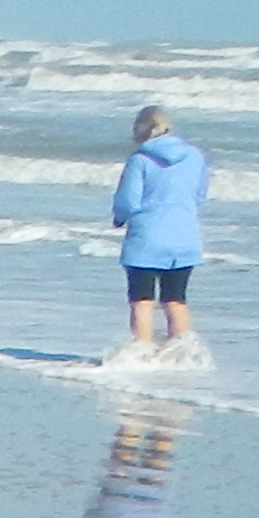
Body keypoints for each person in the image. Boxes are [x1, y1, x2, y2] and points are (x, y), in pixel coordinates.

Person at [110, 103, 208, 352]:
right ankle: (181, 354)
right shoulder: (194, 156)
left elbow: (128, 201)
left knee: (142, 301)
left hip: (147, 239)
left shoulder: (140, 159)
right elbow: (199, 195)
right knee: (175, 301)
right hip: (184, 237)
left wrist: (119, 217)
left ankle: (142, 354)